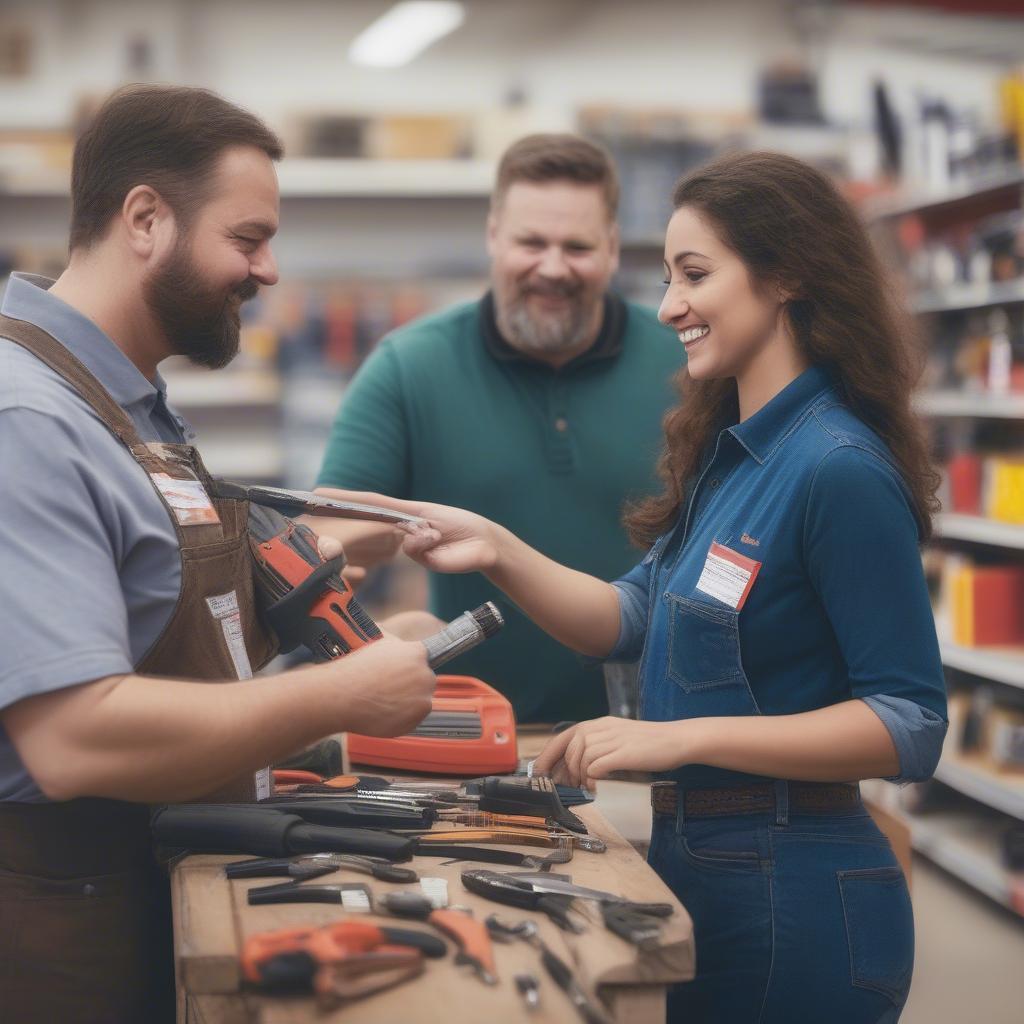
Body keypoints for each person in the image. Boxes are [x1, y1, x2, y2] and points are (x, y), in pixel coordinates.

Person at [352, 151, 948, 1022]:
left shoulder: (837, 468)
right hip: (704, 874)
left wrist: (672, 737)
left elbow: (909, 723)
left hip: (800, 899)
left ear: (786, 275)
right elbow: (627, 615)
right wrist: (496, 548)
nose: (668, 305)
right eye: (668, 276)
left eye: (695, 275)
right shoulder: (732, 453)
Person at [0, 85, 436, 1023]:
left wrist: (317, 567)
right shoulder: (26, 421)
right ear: (146, 220)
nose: (269, 270)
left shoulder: (127, 404)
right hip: (71, 925)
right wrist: (344, 694)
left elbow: (159, 611)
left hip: (162, 875)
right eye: (248, 239)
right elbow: (71, 736)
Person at [315, 133, 682, 724]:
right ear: (493, 236)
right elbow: (328, 527)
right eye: (531, 242)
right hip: (479, 744)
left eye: (578, 246)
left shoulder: (688, 365)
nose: (553, 268)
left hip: (658, 740)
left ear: (613, 248)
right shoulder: (410, 367)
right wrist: (366, 553)